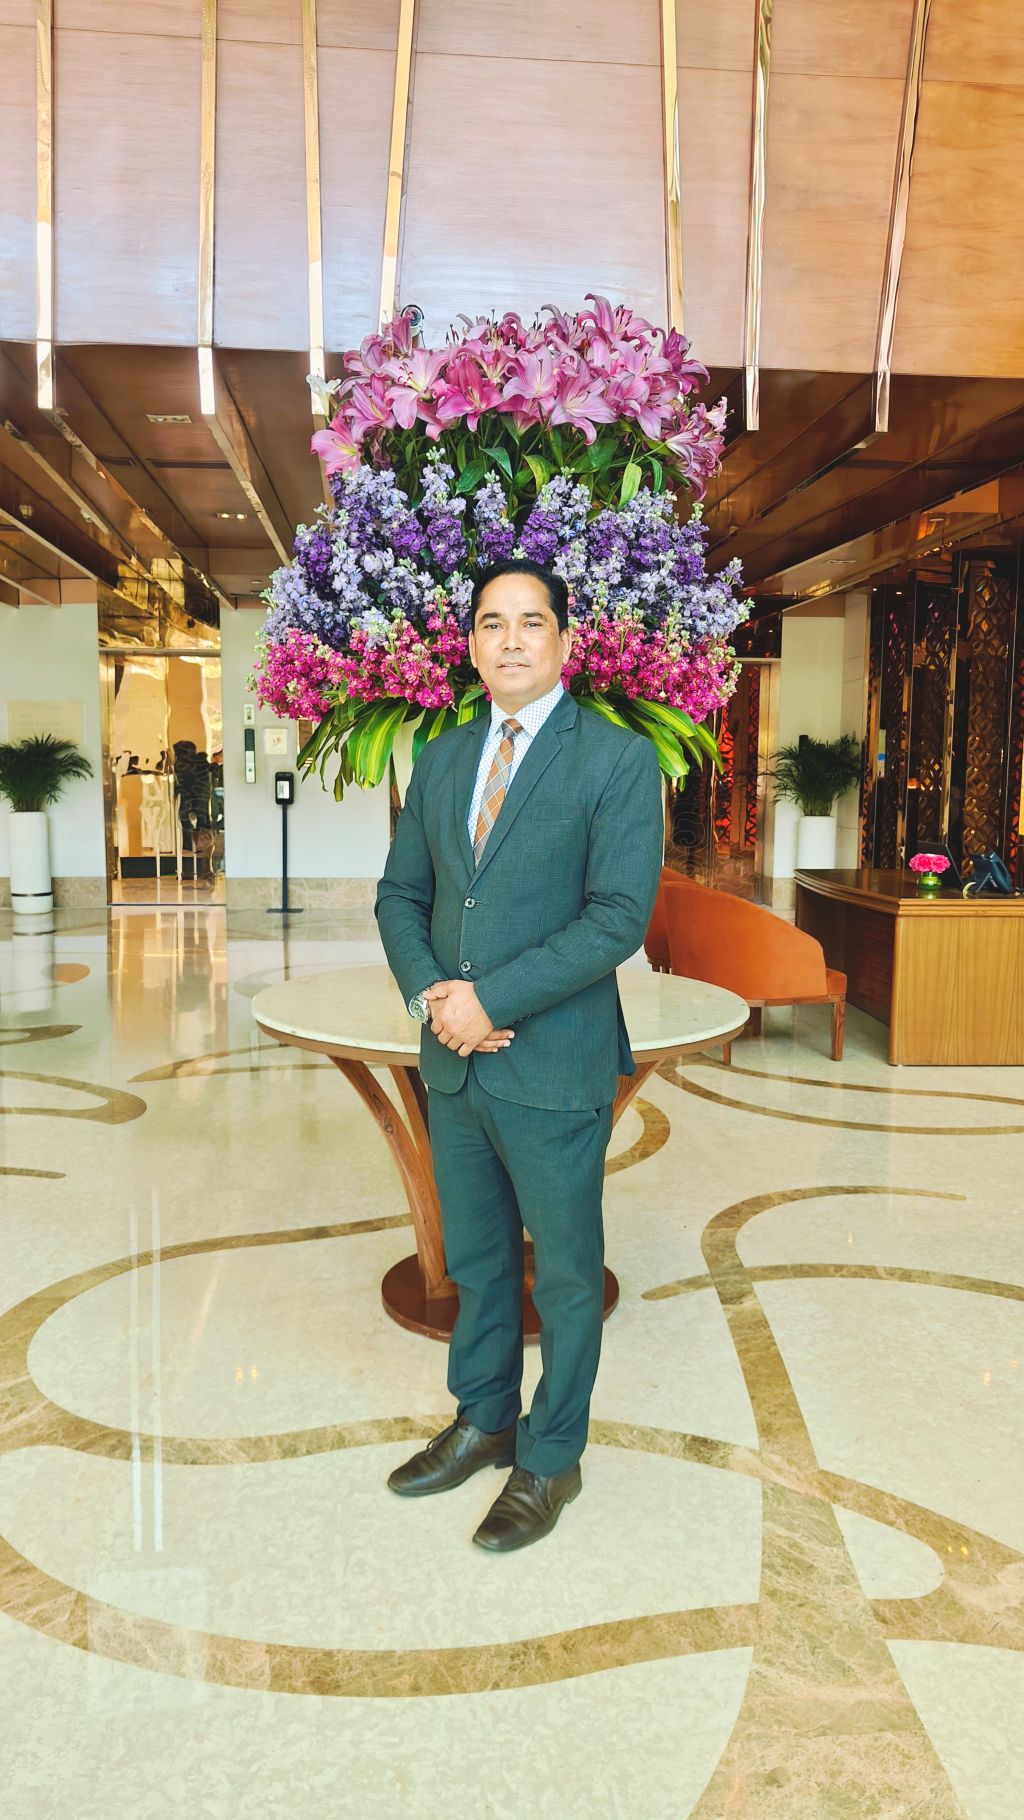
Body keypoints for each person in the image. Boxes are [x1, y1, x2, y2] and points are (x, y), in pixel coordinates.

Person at [375, 559, 664, 1552]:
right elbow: (401, 895)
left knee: (568, 1274)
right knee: (479, 1259)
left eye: (530, 621)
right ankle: (484, 1418)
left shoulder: (615, 760)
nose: (509, 640)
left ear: (566, 641)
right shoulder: (442, 757)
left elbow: (617, 917)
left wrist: (491, 999)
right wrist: (435, 995)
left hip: (552, 1061)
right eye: (491, 622)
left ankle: (551, 1457)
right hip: (454, 1063)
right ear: (469, 644)